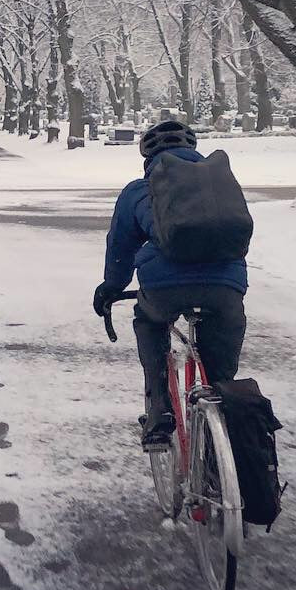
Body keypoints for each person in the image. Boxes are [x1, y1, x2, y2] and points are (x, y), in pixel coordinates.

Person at [92, 120, 248, 448]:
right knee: (220, 375)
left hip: (164, 287)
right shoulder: (218, 185)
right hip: (225, 287)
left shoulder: (138, 190)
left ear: (147, 157)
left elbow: (121, 247)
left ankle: (159, 410)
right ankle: (223, 415)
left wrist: (111, 286)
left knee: (150, 323)